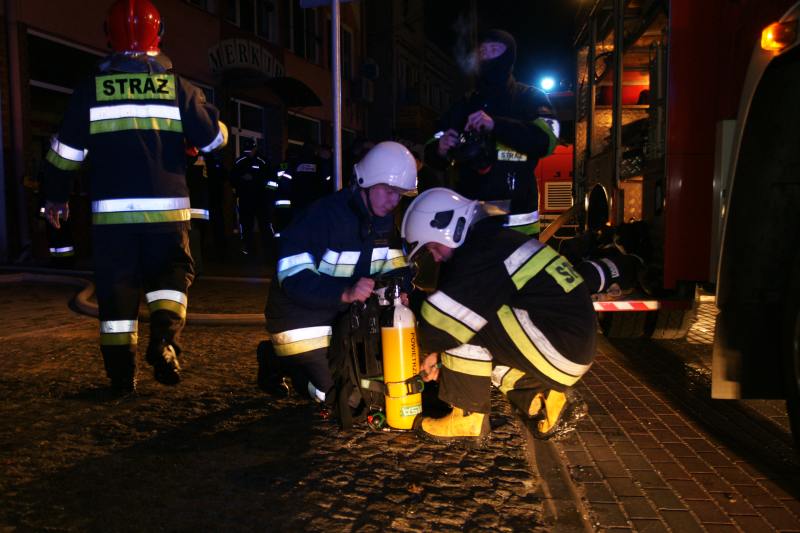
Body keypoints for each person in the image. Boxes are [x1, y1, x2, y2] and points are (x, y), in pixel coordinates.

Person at [41, 0, 228, 394]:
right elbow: (212, 141)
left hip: (112, 220)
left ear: (109, 37)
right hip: (167, 214)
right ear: (158, 36)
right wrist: (219, 127)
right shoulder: (177, 87)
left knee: (116, 295)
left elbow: (64, 154)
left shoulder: (90, 92)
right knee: (171, 277)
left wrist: (56, 199)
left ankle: (121, 377)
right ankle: (164, 342)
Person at [401, 188, 597, 443]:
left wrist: (425, 339)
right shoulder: (494, 240)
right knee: (478, 341)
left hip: (558, 345)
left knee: (462, 318)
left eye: (433, 248)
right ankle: (543, 400)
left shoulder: (479, 252)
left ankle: (467, 417)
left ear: (449, 228)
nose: (436, 257)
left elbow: (439, 325)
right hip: (570, 345)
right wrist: (441, 357)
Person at [262, 141, 417, 405]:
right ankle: (279, 363)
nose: (394, 200)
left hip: (346, 317)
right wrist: (344, 292)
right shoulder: (323, 216)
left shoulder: (385, 223)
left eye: (399, 194)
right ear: (365, 182)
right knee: (340, 398)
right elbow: (292, 278)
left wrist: (401, 288)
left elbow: (397, 267)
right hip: (300, 318)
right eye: (388, 190)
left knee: (371, 387)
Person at [425, 29, 559, 237]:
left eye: (494, 49)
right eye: (483, 51)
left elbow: (545, 141)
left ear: (509, 56)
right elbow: (430, 149)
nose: (487, 55)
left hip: (518, 228)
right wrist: (440, 147)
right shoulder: (465, 104)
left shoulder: (529, 98)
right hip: (471, 226)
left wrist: (496, 125)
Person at [230, 138, 275, 255]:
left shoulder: (263, 161)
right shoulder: (239, 162)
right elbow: (232, 179)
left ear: (255, 148)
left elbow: (272, 179)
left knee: (265, 225)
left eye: (251, 150)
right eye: (246, 150)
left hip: (261, 200)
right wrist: (241, 179)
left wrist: (267, 194)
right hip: (246, 200)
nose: (248, 153)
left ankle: (268, 249)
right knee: (246, 225)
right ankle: (248, 249)